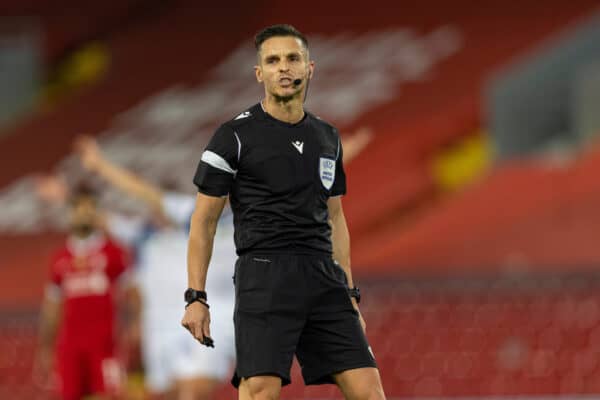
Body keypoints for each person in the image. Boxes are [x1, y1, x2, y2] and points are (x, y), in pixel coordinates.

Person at [181, 24, 386, 400]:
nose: (284, 68)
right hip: (264, 275)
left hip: (324, 279)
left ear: (310, 67)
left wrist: (351, 294)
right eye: (273, 61)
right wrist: (196, 296)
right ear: (260, 73)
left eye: (293, 58)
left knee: (370, 391)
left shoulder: (328, 137)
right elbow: (203, 222)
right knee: (260, 391)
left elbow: (335, 218)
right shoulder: (233, 137)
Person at [73, 136, 237, 400]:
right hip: (164, 323)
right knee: (166, 392)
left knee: (194, 389)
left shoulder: (267, 221)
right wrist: (100, 165)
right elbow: (144, 191)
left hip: (217, 315)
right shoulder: (194, 217)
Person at [34, 185, 129, 400]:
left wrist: (134, 331)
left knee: (107, 395)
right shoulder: (60, 259)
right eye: (78, 208)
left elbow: (132, 296)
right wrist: (45, 347)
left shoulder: (113, 253)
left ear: (96, 212)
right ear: (70, 213)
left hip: (104, 344)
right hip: (70, 348)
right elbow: (51, 307)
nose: (84, 214)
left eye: (89, 208)